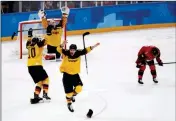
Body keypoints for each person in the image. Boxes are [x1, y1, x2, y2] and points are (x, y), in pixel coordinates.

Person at [57, 40, 100, 112]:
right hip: (66, 76)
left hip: (75, 75)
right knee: (68, 94)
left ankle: (73, 95)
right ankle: (69, 103)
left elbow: (86, 50)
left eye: (73, 50)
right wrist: (62, 44)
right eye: (71, 50)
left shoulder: (78, 53)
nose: (72, 51)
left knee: (79, 88)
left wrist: (94, 46)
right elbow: (58, 49)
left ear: (76, 50)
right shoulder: (66, 53)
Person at [26, 28, 51, 104]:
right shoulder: (38, 45)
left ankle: (36, 96)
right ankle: (45, 94)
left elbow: (28, 42)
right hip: (37, 66)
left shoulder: (29, 46)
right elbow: (46, 41)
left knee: (39, 82)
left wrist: (29, 35)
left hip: (30, 67)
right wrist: (48, 32)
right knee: (46, 79)